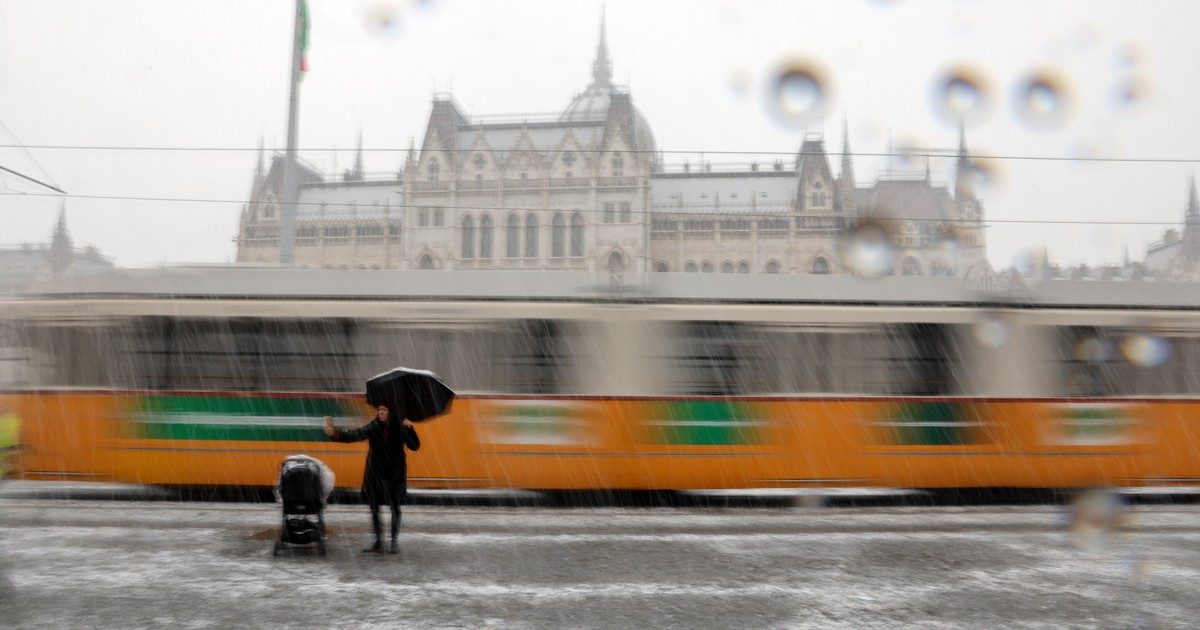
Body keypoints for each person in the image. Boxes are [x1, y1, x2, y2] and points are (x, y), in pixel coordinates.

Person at [324, 405, 419, 554]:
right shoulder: (374, 426)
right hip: (376, 473)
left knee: (395, 508)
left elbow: (414, 446)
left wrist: (410, 428)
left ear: (391, 412)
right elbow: (357, 434)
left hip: (394, 474)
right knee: (374, 508)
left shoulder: (401, 427)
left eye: (384, 410)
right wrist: (336, 434)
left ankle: (393, 541)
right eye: (379, 410)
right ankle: (378, 541)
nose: (380, 412)